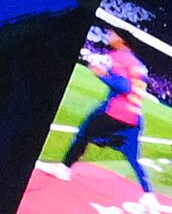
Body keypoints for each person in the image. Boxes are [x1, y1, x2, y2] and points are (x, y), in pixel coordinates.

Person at [56, 27, 156, 196]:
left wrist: (101, 74)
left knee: (83, 134)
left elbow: (124, 86)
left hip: (115, 110)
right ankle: (149, 195)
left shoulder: (118, 57)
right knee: (133, 157)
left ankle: (64, 168)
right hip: (134, 116)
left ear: (121, 40)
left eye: (113, 34)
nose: (109, 36)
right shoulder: (139, 65)